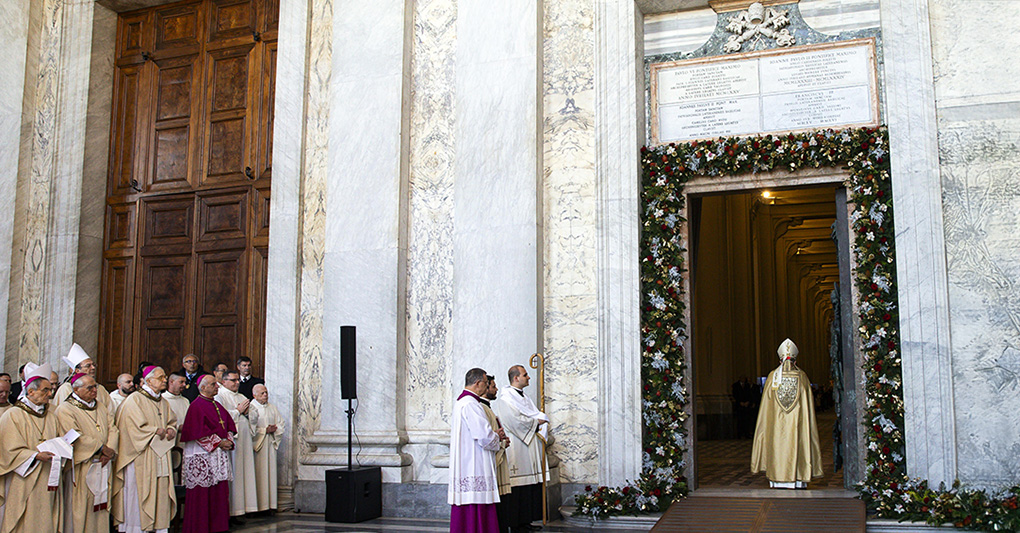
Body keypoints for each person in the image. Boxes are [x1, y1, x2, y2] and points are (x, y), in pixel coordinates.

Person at [111, 366, 178, 533]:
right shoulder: (135, 400)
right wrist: (154, 431)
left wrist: (171, 429)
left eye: (165, 377)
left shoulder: (163, 401)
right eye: (161, 377)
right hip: (141, 457)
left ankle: (159, 527)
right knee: (138, 494)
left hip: (160, 455)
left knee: (161, 492)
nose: (165, 380)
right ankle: (136, 529)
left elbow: (171, 421)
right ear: (148, 381)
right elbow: (131, 429)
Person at [751, 338, 823, 489]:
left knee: (777, 444)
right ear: (795, 361)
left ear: (780, 360)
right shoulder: (802, 377)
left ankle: (776, 479)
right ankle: (798, 478)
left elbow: (765, 408)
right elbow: (808, 406)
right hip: (798, 425)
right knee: (799, 441)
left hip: (776, 427)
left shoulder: (772, 377)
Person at [0, 363, 63, 531]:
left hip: (47, 475)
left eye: (50, 390)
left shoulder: (51, 416)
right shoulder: (13, 414)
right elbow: (8, 449)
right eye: (45, 390)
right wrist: (35, 456)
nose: (50, 394)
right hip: (23, 477)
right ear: (30, 392)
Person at [56, 373, 118, 533]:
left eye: (95, 387)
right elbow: (72, 435)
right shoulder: (65, 409)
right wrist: (100, 448)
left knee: (100, 509)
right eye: (89, 388)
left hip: (103, 463)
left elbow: (113, 428)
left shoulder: (101, 406)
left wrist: (109, 451)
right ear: (75, 389)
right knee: (81, 509)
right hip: (82, 465)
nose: (94, 391)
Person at [449, 368, 505, 533]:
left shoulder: (461, 402)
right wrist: (497, 437)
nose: (486, 387)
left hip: (467, 461)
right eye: (486, 384)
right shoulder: (472, 404)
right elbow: (484, 436)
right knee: (478, 504)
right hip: (475, 462)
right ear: (478, 383)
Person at [494, 365, 549, 532]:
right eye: (525, 375)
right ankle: (516, 524)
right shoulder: (506, 399)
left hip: (528, 445)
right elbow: (515, 421)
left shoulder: (524, 397)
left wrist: (538, 421)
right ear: (516, 378)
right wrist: (536, 422)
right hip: (517, 447)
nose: (529, 378)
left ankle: (526, 521)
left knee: (529, 488)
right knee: (518, 489)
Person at [180, 375, 235, 533]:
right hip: (203, 455)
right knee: (202, 493)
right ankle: (200, 527)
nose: (217, 386)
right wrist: (219, 442)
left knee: (219, 491)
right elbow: (196, 432)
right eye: (213, 384)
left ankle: (218, 526)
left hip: (218, 455)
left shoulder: (217, 404)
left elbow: (229, 426)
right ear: (203, 387)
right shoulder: (196, 406)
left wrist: (228, 440)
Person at [215, 370, 259, 521]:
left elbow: (254, 415)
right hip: (232, 440)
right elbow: (220, 417)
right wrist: (237, 411)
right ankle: (231, 511)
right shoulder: (219, 395)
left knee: (244, 472)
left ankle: (243, 509)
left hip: (245, 440)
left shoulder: (241, 396)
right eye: (233, 380)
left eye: (237, 380)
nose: (237, 383)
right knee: (234, 473)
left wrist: (247, 413)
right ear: (224, 381)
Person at [482, 375, 512, 532]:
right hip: (492, 460)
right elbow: (485, 437)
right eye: (493, 386)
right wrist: (499, 441)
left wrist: (502, 442)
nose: (496, 389)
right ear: (485, 388)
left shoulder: (488, 408)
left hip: (499, 455)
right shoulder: (481, 408)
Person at [250, 384, 284, 513]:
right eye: (262, 393)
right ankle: (256, 507)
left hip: (269, 444)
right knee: (258, 475)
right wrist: (264, 430)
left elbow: (281, 423)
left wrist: (275, 429)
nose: (265, 395)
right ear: (254, 395)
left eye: (266, 392)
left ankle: (270, 505)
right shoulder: (252, 408)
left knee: (269, 474)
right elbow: (249, 428)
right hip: (258, 447)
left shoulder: (272, 408)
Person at [54, 343, 112, 409]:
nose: (93, 368)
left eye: (93, 365)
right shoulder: (66, 388)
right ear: (77, 370)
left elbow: (110, 412)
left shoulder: (100, 389)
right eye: (88, 366)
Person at [162, 373, 190, 446]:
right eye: (181, 382)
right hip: (168, 439)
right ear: (171, 382)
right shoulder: (163, 400)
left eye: (185, 382)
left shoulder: (185, 401)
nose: (184, 385)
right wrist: (177, 427)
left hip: (184, 440)